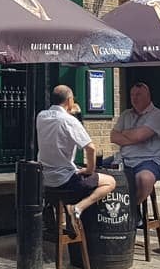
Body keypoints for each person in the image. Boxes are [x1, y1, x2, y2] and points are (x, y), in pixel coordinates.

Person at [37, 85, 116, 226]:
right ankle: (77, 208)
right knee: (110, 182)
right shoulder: (69, 121)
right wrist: (89, 170)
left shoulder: (41, 116)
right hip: (64, 181)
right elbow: (90, 148)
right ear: (69, 100)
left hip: (45, 180)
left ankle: (60, 217)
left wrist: (71, 113)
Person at [110, 82, 160, 212]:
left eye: (138, 95)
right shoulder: (126, 114)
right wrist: (134, 137)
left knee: (144, 179)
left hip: (150, 160)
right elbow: (113, 137)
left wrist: (124, 133)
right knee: (96, 170)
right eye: (132, 95)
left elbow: (139, 136)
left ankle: (130, 210)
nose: (134, 98)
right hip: (124, 159)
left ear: (148, 96)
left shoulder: (157, 115)